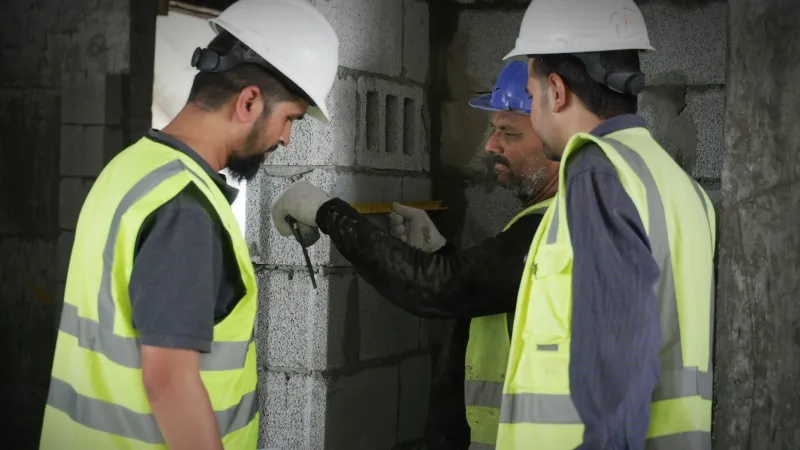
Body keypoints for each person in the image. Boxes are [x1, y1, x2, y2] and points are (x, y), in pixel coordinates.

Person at [38, 1, 339, 449]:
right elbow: (170, 382)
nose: (285, 139)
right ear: (249, 101)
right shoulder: (185, 208)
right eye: (289, 119)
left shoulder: (132, 166)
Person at [269, 60, 560, 449]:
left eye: (509, 133)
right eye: (494, 130)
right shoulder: (544, 220)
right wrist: (441, 252)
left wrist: (328, 213)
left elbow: (440, 288)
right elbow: (485, 291)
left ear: (557, 138)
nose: (491, 146)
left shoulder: (555, 227)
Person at [493, 0, 717, 449]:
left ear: (556, 90)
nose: (534, 115)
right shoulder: (681, 186)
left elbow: (620, 348)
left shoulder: (596, 170)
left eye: (533, 97)